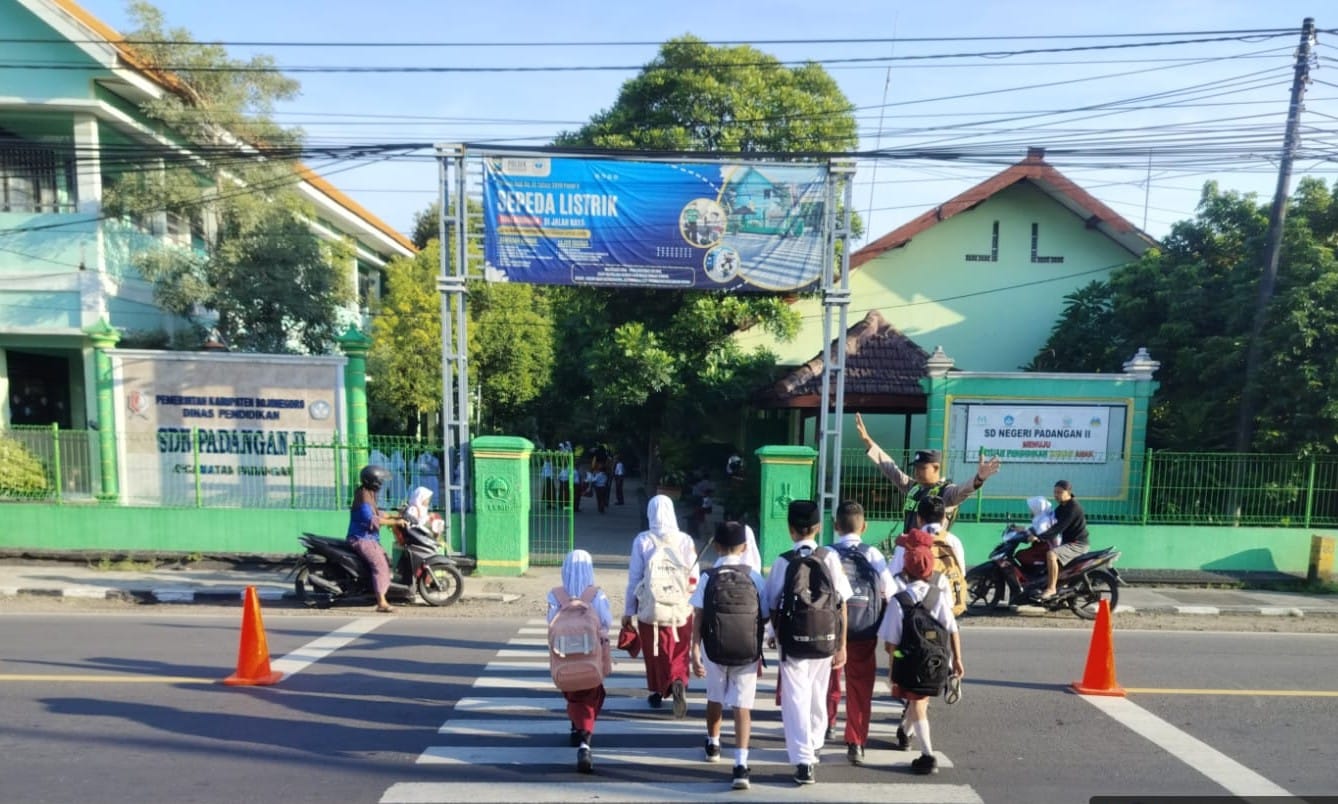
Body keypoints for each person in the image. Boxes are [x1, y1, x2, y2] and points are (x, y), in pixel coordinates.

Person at [764, 500, 852, 786]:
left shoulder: (783, 561)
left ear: (791, 529)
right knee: (818, 693)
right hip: (826, 639)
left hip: (793, 644)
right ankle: (814, 743)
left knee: (795, 700)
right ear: (818, 528)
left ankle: (803, 761)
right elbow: (842, 604)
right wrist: (842, 644)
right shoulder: (830, 558)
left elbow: (771, 605)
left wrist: (776, 635)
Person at [689, 522, 769, 791]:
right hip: (747, 651)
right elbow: (766, 614)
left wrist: (694, 652)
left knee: (715, 697)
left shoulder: (707, 576)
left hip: (714, 648)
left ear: (718, 546)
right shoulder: (755, 576)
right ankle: (741, 765)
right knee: (742, 706)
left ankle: (713, 744)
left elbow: (698, 617)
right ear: (745, 547)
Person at [882, 537, 964, 776]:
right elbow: (952, 629)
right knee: (920, 701)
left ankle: (928, 755)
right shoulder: (938, 596)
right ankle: (904, 732)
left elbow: (890, 644)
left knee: (917, 702)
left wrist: (897, 659)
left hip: (908, 663)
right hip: (937, 661)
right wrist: (957, 660)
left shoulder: (899, 601)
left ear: (905, 570)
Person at [853, 412, 1001, 532]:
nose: (917, 472)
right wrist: (868, 441)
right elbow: (890, 468)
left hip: (932, 554)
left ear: (936, 468)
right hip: (909, 549)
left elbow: (963, 490)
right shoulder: (914, 487)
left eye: (922, 468)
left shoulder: (946, 493)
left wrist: (979, 478)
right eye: (916, 468)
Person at [828, 501, 894, 766]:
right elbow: (890, 593)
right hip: (865, 630)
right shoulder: (874, 555)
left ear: (836, 526)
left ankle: (828, 723)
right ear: (864, 526)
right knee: (860, 688)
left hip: (832, 632)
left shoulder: (826, 554)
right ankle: (855, 740)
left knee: (830, 682)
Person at [623, 495, 700, 718]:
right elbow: (694, 576)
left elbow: (634, 578)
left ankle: (657, 691)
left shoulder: (642, 540)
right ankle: (678, 681)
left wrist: (629, 611)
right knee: (678, 648)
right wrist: (689, 601)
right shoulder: (685, 540)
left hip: (651, 607)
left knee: (654, 650)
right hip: (680, 606)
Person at [547, 549, 612, 774]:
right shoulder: (596, 595)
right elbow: (606, 621)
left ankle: (576, 727)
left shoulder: (555, 595)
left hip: (564, 660)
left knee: (573, 695)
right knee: (592, 695)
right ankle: (585, 742)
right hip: (591, 659)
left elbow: (550, 623)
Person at [347, 464, 395, 613]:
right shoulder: (363, 497)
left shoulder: (367, 494)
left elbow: (377, 513)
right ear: (373, 481)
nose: (381, 484)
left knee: (385, 560)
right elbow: (372, 520)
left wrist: (395, 515)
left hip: (369, 538)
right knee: (380, 565)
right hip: (362, 539)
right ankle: (381, 602)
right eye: (380, 481)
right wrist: (396, 522)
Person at [1030, 480, 1089, 600]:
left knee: (1051, 555)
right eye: (1055, 492)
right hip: (1067, 542)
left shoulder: (1073, 508)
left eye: (1060, 492)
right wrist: (1028, 530)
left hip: (1078, 544)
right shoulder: (1062, 507)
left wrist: (1039, 537)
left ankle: (1051, 588)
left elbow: (1057, 528)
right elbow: (1048, 523)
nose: (1056, 495)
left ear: (1068, 493)